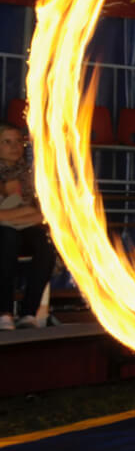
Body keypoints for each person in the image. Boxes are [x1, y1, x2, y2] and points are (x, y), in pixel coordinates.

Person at [0, 125, 56, 330]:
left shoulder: (27, 174)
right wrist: (24, 213)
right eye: (7, 142)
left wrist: (12, 216)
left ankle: (29, 313)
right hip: (8, 232)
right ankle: (4, 312)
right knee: (8, 238)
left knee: (45, 244)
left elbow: (42, 213)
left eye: (19, 142)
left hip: (22, 227)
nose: (15, 147)